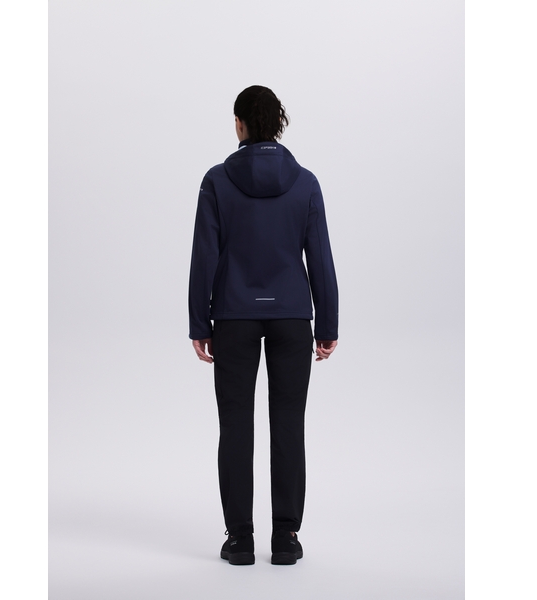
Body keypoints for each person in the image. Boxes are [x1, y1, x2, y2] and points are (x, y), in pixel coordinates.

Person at [188, 85, 338, 566]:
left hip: (233, 316)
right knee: (289, 422)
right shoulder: (306, 183)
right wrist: (327, 323)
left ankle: (239, 539)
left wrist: (199, 322)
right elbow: (320, 257)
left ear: (239, 124)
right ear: (278, 124)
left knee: (235, 424)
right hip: (293, 317)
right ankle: (286, 538)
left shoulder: (216, 181)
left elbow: (204, 256)